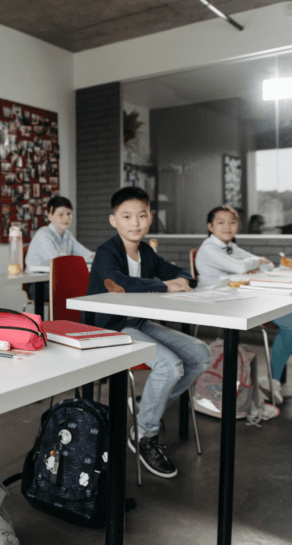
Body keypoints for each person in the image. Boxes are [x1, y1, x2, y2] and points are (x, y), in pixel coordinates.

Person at [86, 186, 210, 479]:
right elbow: (117, 283)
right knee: (170, 365)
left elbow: (179, 271)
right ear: (113, 220)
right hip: (107, 327)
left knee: (200, 354)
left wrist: (182, 278)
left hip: (136, 323)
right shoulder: (107, 252)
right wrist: (166, 285)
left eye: (141, 215)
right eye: (126, 216)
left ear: (150, 218)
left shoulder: (146, 252)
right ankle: (145, 435)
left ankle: (146, 408)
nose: (135, 222)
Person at [195, 205, 287, 404]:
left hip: (240, 297)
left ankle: (273, 380)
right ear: (210, 226)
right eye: (221, 222)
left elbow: (268, 264)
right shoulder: (209, 248)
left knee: (289, 321)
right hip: (218, 303)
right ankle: (273, 380)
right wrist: (249, 266)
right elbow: (240, 266)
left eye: (232, 222)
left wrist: (249, 267)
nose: (227, 227)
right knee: (289, 324)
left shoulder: (231, 247)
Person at [24, 195, 94, 301]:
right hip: (39, 285)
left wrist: (101, 257)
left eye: (69, 214)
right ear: (50, 216)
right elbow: (58, 260)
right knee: (83, 292)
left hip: (59, 281)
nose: (66, 218)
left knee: (92, 289)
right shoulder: (43, 234)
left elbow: (85, 254)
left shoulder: (68, 235)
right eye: (61, 214)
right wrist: (78, 262)